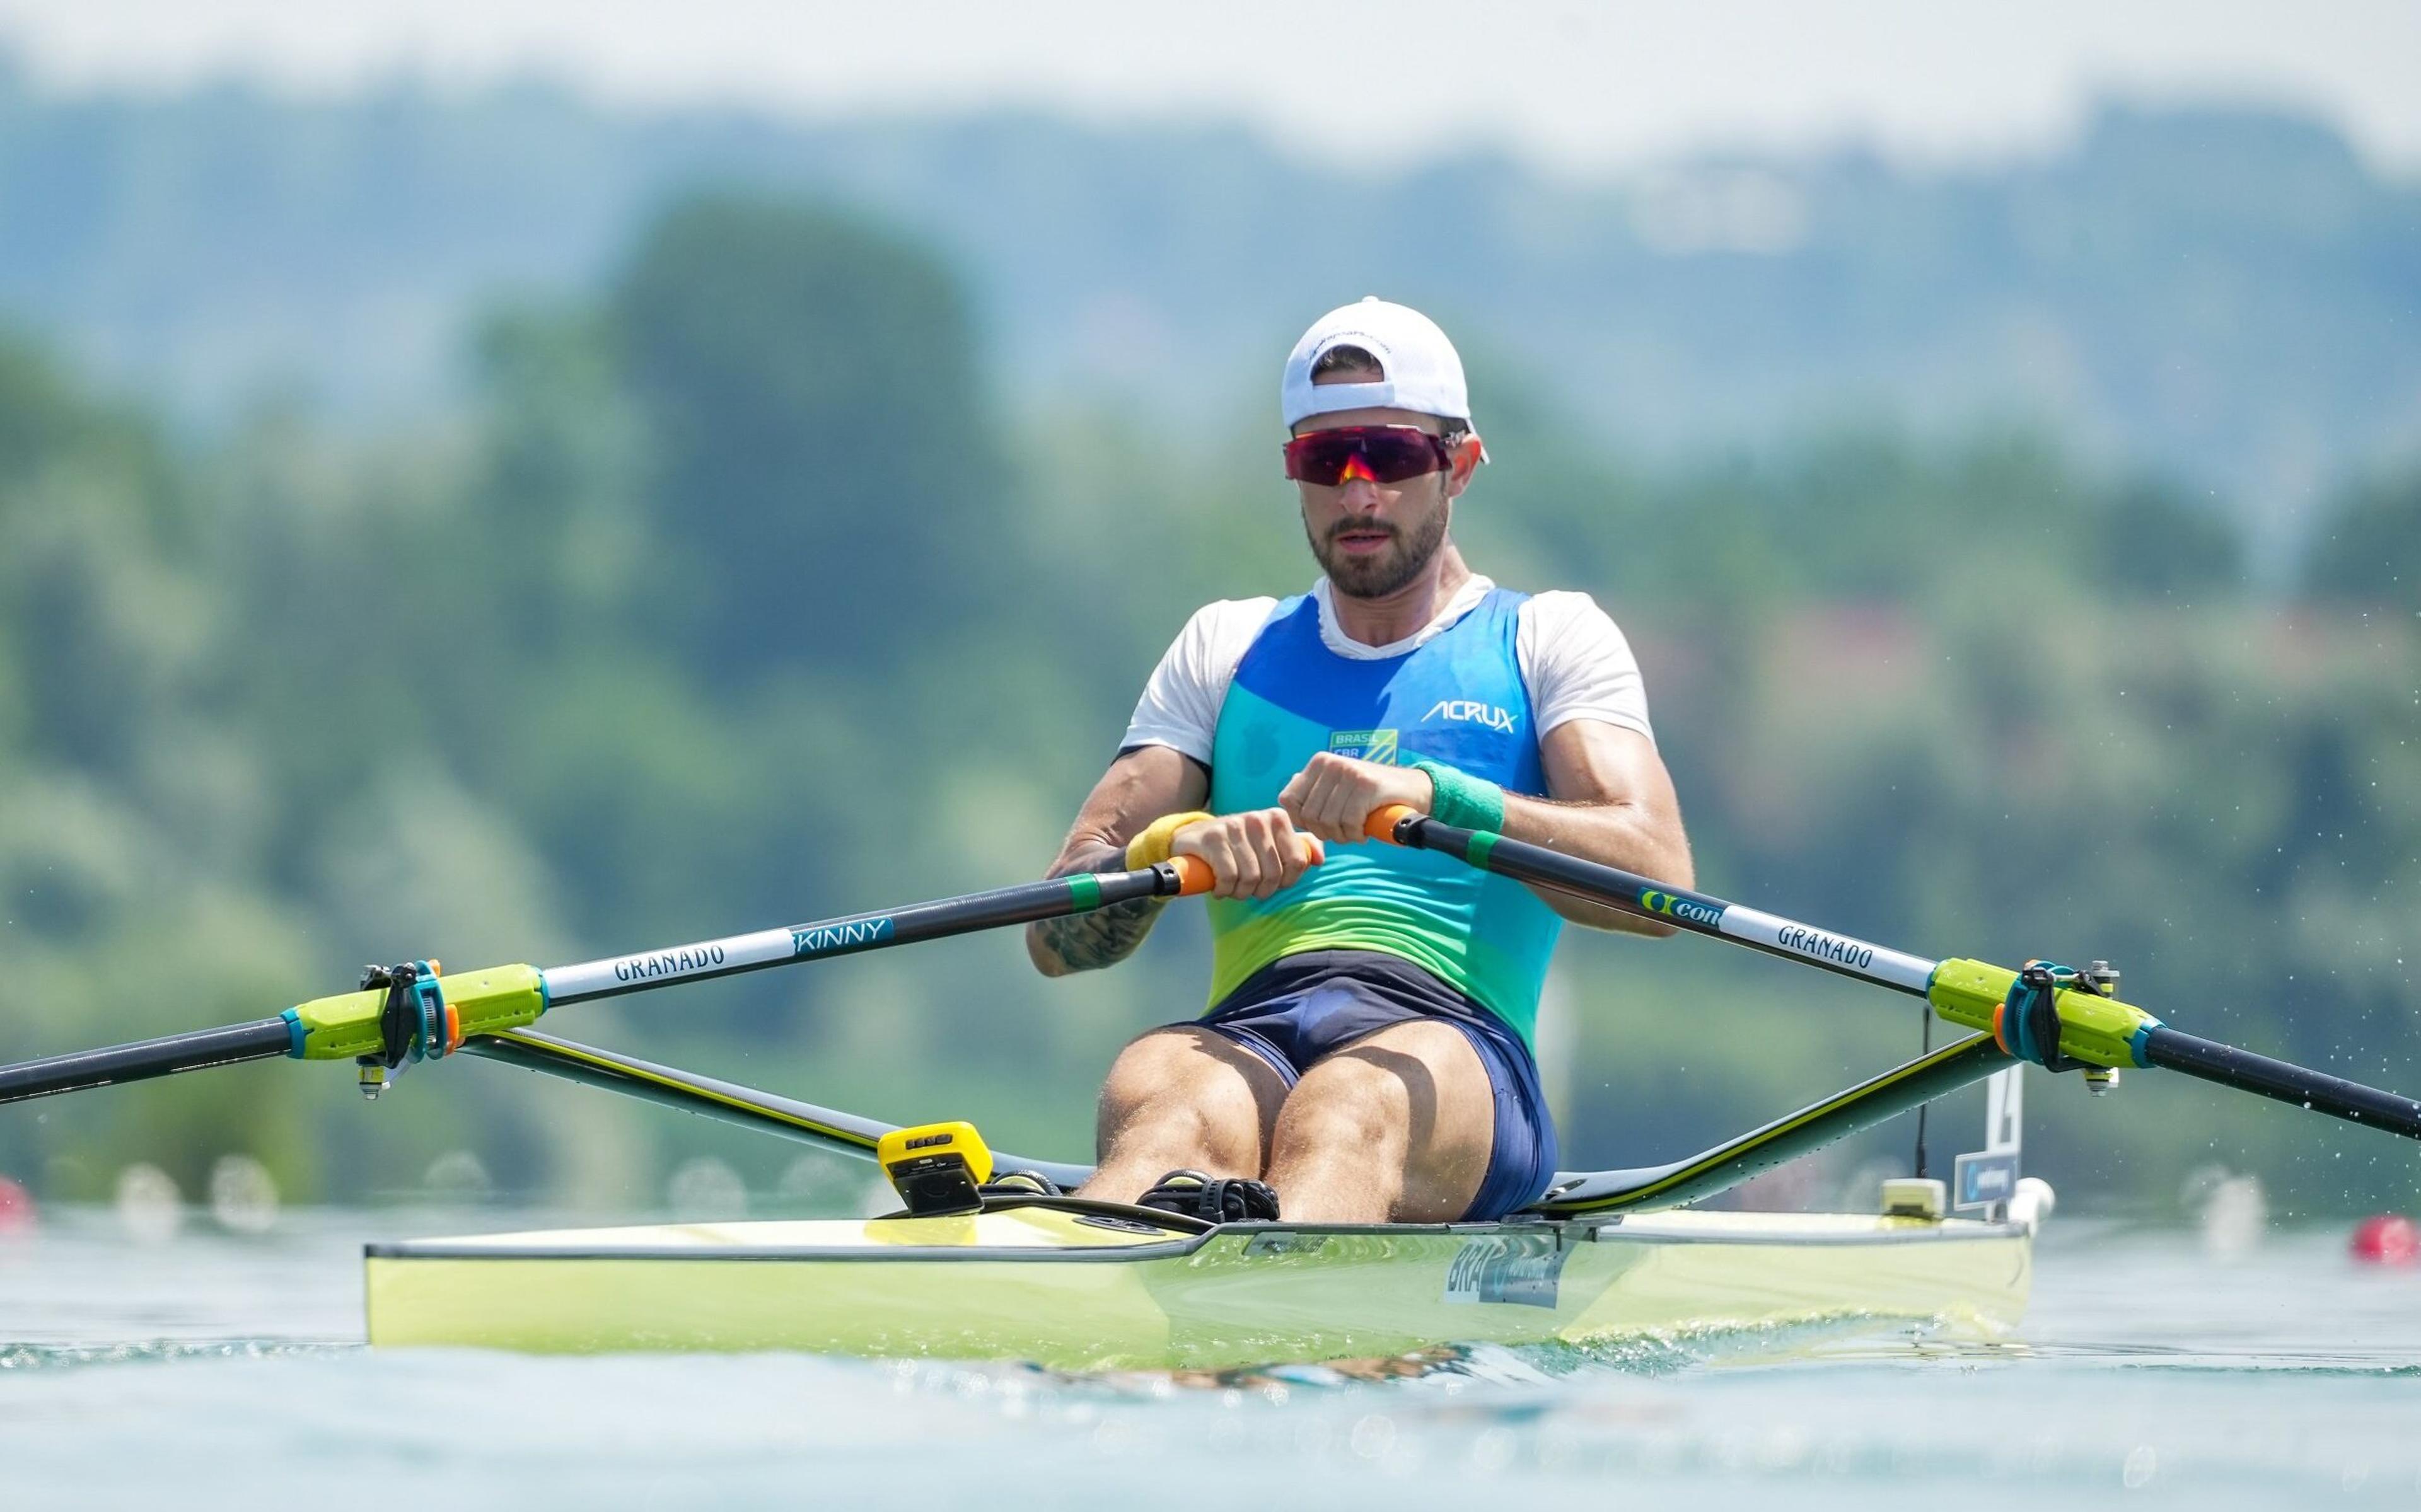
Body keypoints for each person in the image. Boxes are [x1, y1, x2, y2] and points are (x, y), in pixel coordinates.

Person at [1026, 297, 1693, 1225]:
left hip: (1459, 1048)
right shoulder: (1226, 645)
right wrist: (1172, 849)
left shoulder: (1549, 640)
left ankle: (1265, 1327)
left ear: (1458, 464)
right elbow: (1053, 936)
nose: (1357, 493)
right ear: (1292, 471)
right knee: (1164, 1101)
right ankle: (1077, 1322)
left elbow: (1659, 878)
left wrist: (1439, 798)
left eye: (1390, 457)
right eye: (1323, 461)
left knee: (1346, 1108)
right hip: (1253, 1030)